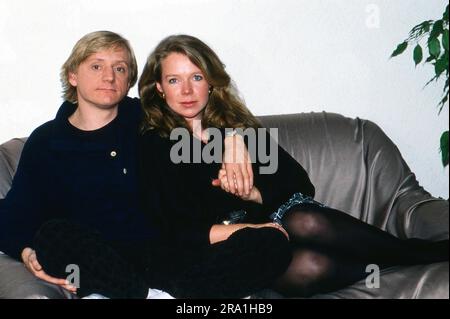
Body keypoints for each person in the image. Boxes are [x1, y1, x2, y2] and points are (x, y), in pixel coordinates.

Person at [138, 34, 449, 298]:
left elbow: (298, 183)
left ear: (211, 82)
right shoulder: (155, 145)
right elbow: (178, 230)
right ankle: (404, 258)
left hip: (282, 225)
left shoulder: (238, 129)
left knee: (304, 219)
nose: (188, 91)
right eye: (174, 80)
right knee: (311, 266)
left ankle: (417, 253)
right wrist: (254, 228)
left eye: (196, 77)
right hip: (232, 246)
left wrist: (254, 193)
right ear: (160, 87)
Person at [0, 30, 253, 299]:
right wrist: (27, 253)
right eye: (96, 66)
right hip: (99, 265)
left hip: (162, 255)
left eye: (119, 68)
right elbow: (12, 216)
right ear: (73, 75)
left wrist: (233, 139)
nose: (109, 77)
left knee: (259, 245)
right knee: (53, 236)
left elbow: (202, 113)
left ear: (129, 79)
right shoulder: (47, 141)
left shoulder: (149, 120)